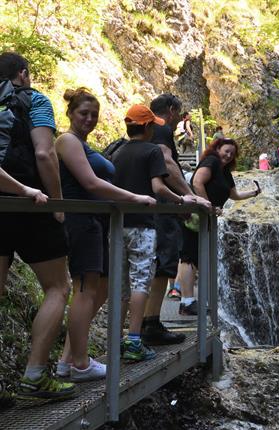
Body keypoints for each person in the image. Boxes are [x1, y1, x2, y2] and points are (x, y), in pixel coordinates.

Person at [55, 88, 156, 382]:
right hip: (81, 221)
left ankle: (66, 361)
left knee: (97, 291)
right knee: (85, 292)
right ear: (71, 114)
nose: (89, 119)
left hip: (93, 223)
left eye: (94, 115)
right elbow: (91, 182)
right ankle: (81, 364)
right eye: (83, 113)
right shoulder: (67, 141)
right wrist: (134, 198)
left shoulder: (82, 144)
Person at [0, 52, 75, 400]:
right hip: (31, 203)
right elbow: (45, 153)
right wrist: (56, 203)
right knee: (58, 287)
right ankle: (33, 377)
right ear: (23, 73)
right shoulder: (34, 99)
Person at [112, 104, 190, 362]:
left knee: (121, 285)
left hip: (118, 224)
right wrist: (181, 199)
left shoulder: (119, 151)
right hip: (143, 225)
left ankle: (116, 341)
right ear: (147, 128)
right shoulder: (153, 151)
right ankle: (135, 340)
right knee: (141, 281)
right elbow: (158, 186)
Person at [142, 94, 211, 345]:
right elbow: (167, 163)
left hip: (155, 207)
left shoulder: (150, 128)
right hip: (160, 210)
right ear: (171, 111)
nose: (178, 122)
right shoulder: (160, 128)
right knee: (164, 263)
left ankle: (148, 323)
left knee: (160, 263)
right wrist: (189, 196)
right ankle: (149, 324)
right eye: (178, 116)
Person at [177, 138, 261, 315]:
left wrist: (254, 193)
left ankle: (191, 301)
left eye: (232, 153)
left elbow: (235, 195)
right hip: (196, 214)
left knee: (196, 257)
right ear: (217, 149)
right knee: (189, 257)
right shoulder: (212, 161)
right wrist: (207, 205)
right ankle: (186, 301)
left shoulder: (225, 172)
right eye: (226, 151)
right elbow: (197, 182)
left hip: (206, 218)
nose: (229, 155)